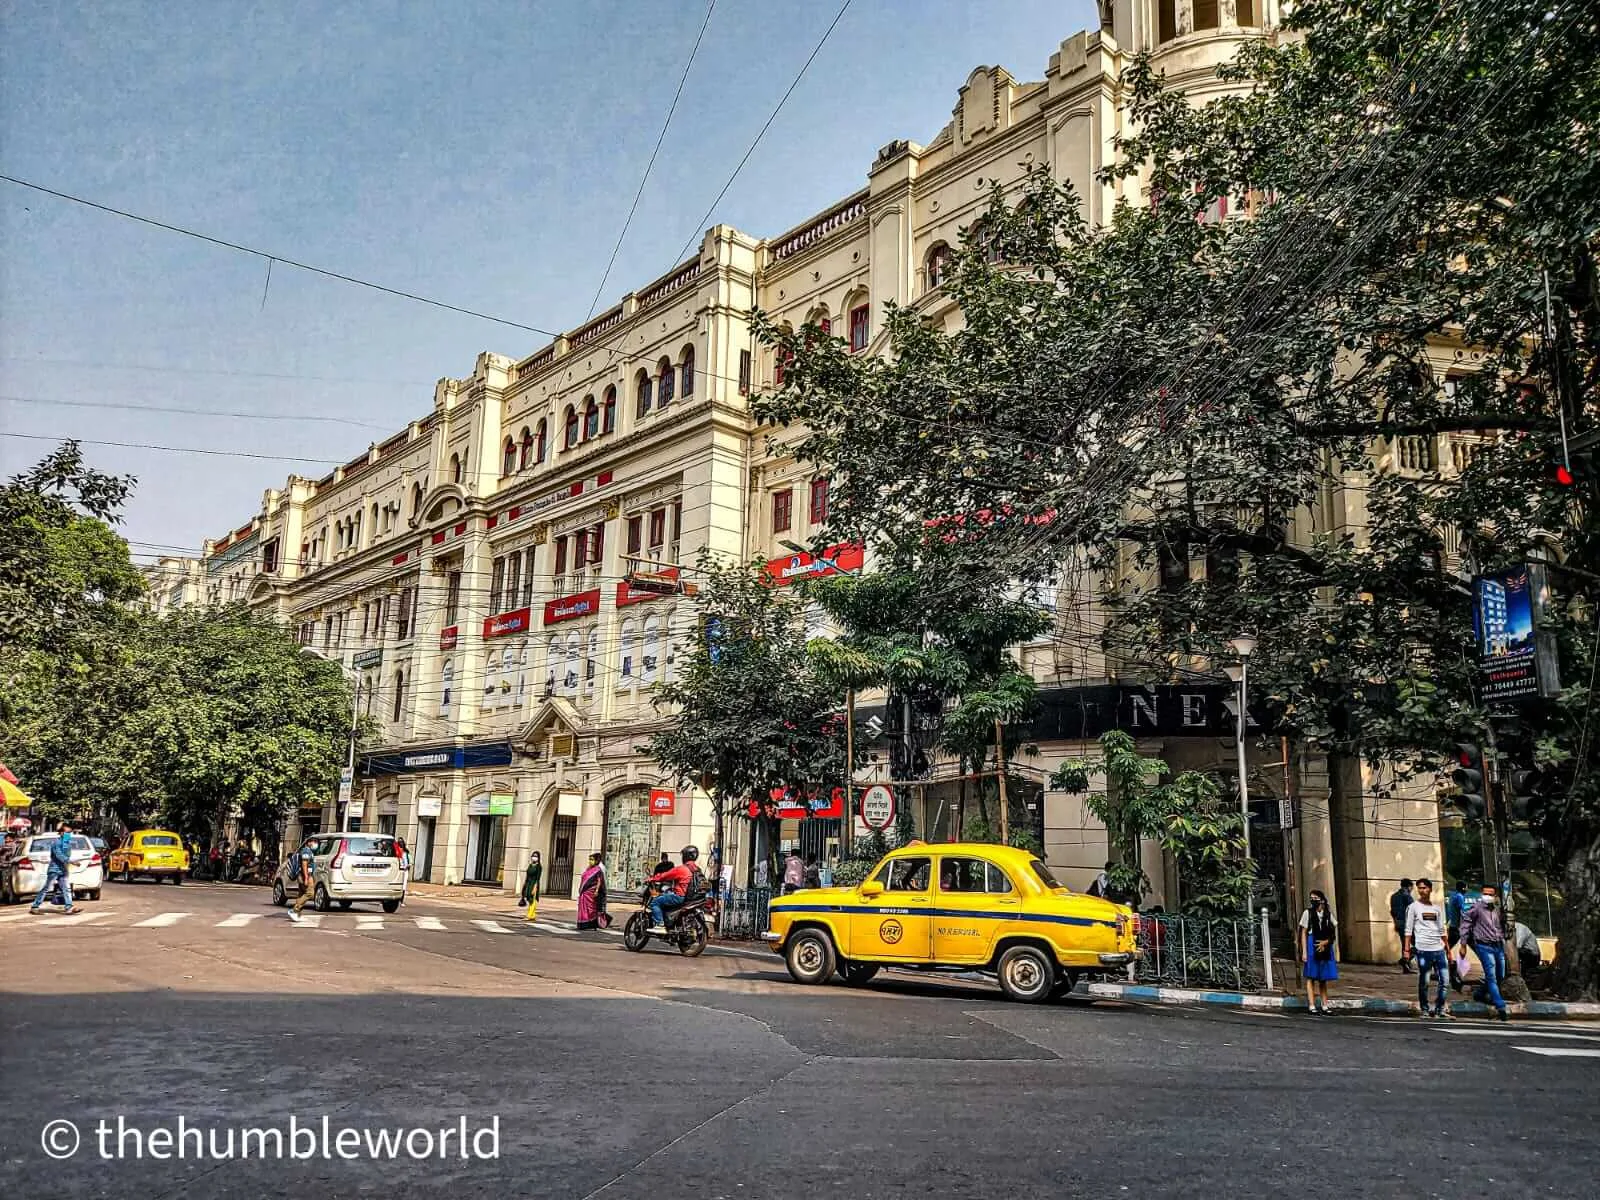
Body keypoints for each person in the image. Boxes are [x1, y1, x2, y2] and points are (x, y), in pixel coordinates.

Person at [1459, 881, 1509, 1021]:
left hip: (1498, 945)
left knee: (1500, 975)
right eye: (1485, 893)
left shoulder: (1498, 909)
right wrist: (1463, 944)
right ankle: (1500, 1006)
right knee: (1491, 975)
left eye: (1490, 894)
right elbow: (1465, 924)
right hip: (1483, 946)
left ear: (1495, 895)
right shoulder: (1476, 908)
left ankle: (1480, 994)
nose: (1487, 896)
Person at [1404, 878, 1450, 1018]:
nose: (1422, 890)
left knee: (1445, 980)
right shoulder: (1413, 907)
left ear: (1430, 889)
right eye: (1419, 888)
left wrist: (1448, 949)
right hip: (1423, 949)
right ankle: (1424, 1009)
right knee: (1425, 981)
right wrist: (1406, 950)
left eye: (1424, 888)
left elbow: (1442, 930)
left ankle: (1440, 1009)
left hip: (1439, 949)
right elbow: (1408, 930)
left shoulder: (1436, 908)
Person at [1298, 890, 1339, 1014]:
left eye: (1315, 898)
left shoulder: (1327, 914)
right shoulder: (1308, 913)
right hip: (1312, 943)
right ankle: (1311, 1005)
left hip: (1325, 944)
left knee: (1323, 978)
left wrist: (1326, 942)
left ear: (1322, 900)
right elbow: (1303, 932)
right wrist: (1304, 951)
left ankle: (1325, 1005)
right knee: (1311, 976)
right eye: (1311, 898)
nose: (1313, 900)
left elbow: (1333, 930)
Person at [647, 846, 699, 932]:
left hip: (679, 896)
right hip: (691, 898)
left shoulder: (682, 869)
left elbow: (665, 876)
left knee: (655, 902)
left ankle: (660, 924)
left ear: (685, 856)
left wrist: (652, 879)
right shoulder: (697, 869)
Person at [29, 822, 77, 915]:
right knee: (46, 888)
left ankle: (69, 907)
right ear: (62, 833)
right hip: (54, 869)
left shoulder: (67, 844)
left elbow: (67, 855)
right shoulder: (56, 843)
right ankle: (35, 906)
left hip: (63, 869)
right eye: (67, 832)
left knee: (66, 888)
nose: (69, 835)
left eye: (70, 832)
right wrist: (71, 861)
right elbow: (59, 856)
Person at [286, 839, 318, 922]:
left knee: (301, 894)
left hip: (305, 875)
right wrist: (306, 878)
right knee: (310, 893)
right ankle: (294, 910)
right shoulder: (306, 851)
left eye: (316, 842)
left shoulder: (308, 851)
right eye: (313, 842)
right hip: (305, 875)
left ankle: (297, 913)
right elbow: (304, 864)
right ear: (308, 843)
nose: (315, 844)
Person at [577, 852, 609, 930]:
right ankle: (582, 923)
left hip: (591, 893)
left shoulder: (598, 870)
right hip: (584, 892)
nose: (590, 861)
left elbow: (599, 881)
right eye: (589, 859)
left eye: (592, 859)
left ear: (596, 860)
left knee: (591, 908)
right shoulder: (588, 869)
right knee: (582, 908)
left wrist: (596, 891)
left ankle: (591, 924)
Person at [1389, 878, 1415, 972]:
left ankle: (1406, 967)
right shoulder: (1407, 896)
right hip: (1407, 924)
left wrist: (1396, 922)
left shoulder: (1394, 896)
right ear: (1409, 887)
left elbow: (1393, 912)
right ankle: (1405, 960)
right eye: (1412, 887)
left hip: (1399, 923)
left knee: (1405, 944)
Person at [521, 850, 543, 921]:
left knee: (532, 899)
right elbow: (527, 875)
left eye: (536, 856)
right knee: (528, 898)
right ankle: (532, 915)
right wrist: (524, 884)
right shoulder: (530, 865)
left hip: (534, 883)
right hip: (528, 883)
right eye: (533, 856)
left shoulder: (539, 867)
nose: (534, 857)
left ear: (538, 858)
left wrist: (535, 888)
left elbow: (538, 878)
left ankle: (529, 915)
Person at [395, 837, 411, 905]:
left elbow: (409, 862)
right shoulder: (395, 851)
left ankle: (401, 900)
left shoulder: (406, 852)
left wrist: (408, 866)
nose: (400, 843)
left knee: (403, 886)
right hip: (397, 870)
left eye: (401, 842)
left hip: (404, 870)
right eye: (399, 842)